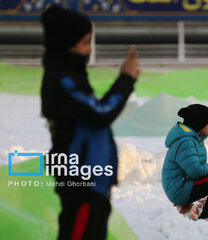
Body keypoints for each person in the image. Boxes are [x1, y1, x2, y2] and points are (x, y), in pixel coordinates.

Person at [40, 5, 140, 240]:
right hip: (80, 181)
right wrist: (125, 80)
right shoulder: (61, 81)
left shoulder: (71, 77)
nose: (89, 50)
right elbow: (100, 113)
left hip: (93, 181)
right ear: (67, 43)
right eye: (85, 43)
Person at [162, 104, 208, 224]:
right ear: (199, 123)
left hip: (184, 183)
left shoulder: (193, 139)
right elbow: (195, 171)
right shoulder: (186, 142)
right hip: (179, 190)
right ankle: (207, 217)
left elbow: (194, 168)